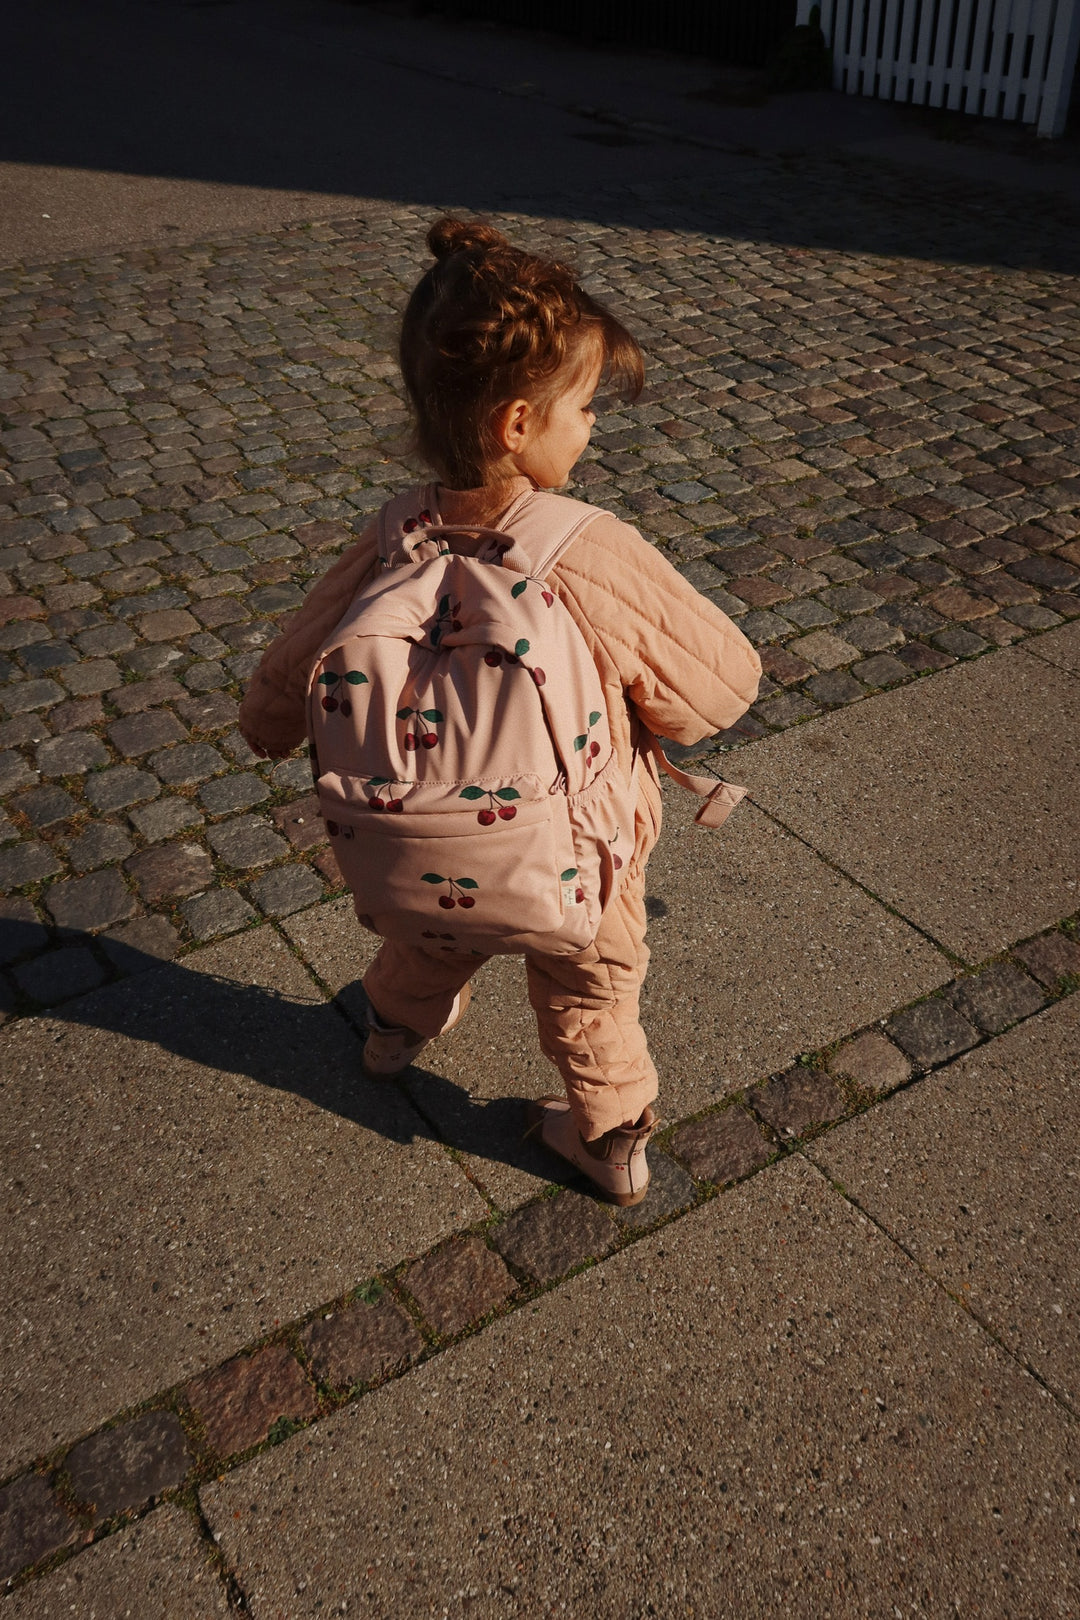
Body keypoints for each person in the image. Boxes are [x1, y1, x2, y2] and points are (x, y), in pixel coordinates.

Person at [239, 217, 761, 1205]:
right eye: (584, 407)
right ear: (518, 423)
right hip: (581, 850)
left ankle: (390, 1033)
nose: (593, 426)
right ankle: (610, 1142)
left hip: (427, 838)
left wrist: (267, 724)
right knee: (593, 986)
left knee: (430, 940)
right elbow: (718, 683)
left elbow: (300, 656)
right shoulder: (584, 545)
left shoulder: (393, 534)